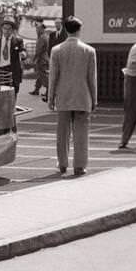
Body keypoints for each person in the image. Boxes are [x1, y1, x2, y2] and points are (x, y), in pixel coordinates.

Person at [48, 15, 97, 177]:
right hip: (83, 96)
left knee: (62, 133)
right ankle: (79, 166)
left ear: (66, 30)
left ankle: (62, 164)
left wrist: (50, 98)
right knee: (81, 134)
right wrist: (94, 99)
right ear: (79, 30)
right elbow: (92, 78)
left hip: (63, 97)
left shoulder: (56, 50)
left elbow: (53, 77)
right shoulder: (89, 51)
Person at [30, 20, 51, 97]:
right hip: (45, 58)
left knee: (43, 75)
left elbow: (39, 50)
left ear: (41, 29)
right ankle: (36, 90)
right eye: (36, 29)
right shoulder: (45, 36)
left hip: (41, 59)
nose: (36, 30)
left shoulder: (42, 38)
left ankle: (49, 90)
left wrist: (34, 59)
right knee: (40, 75)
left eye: (38, 29)